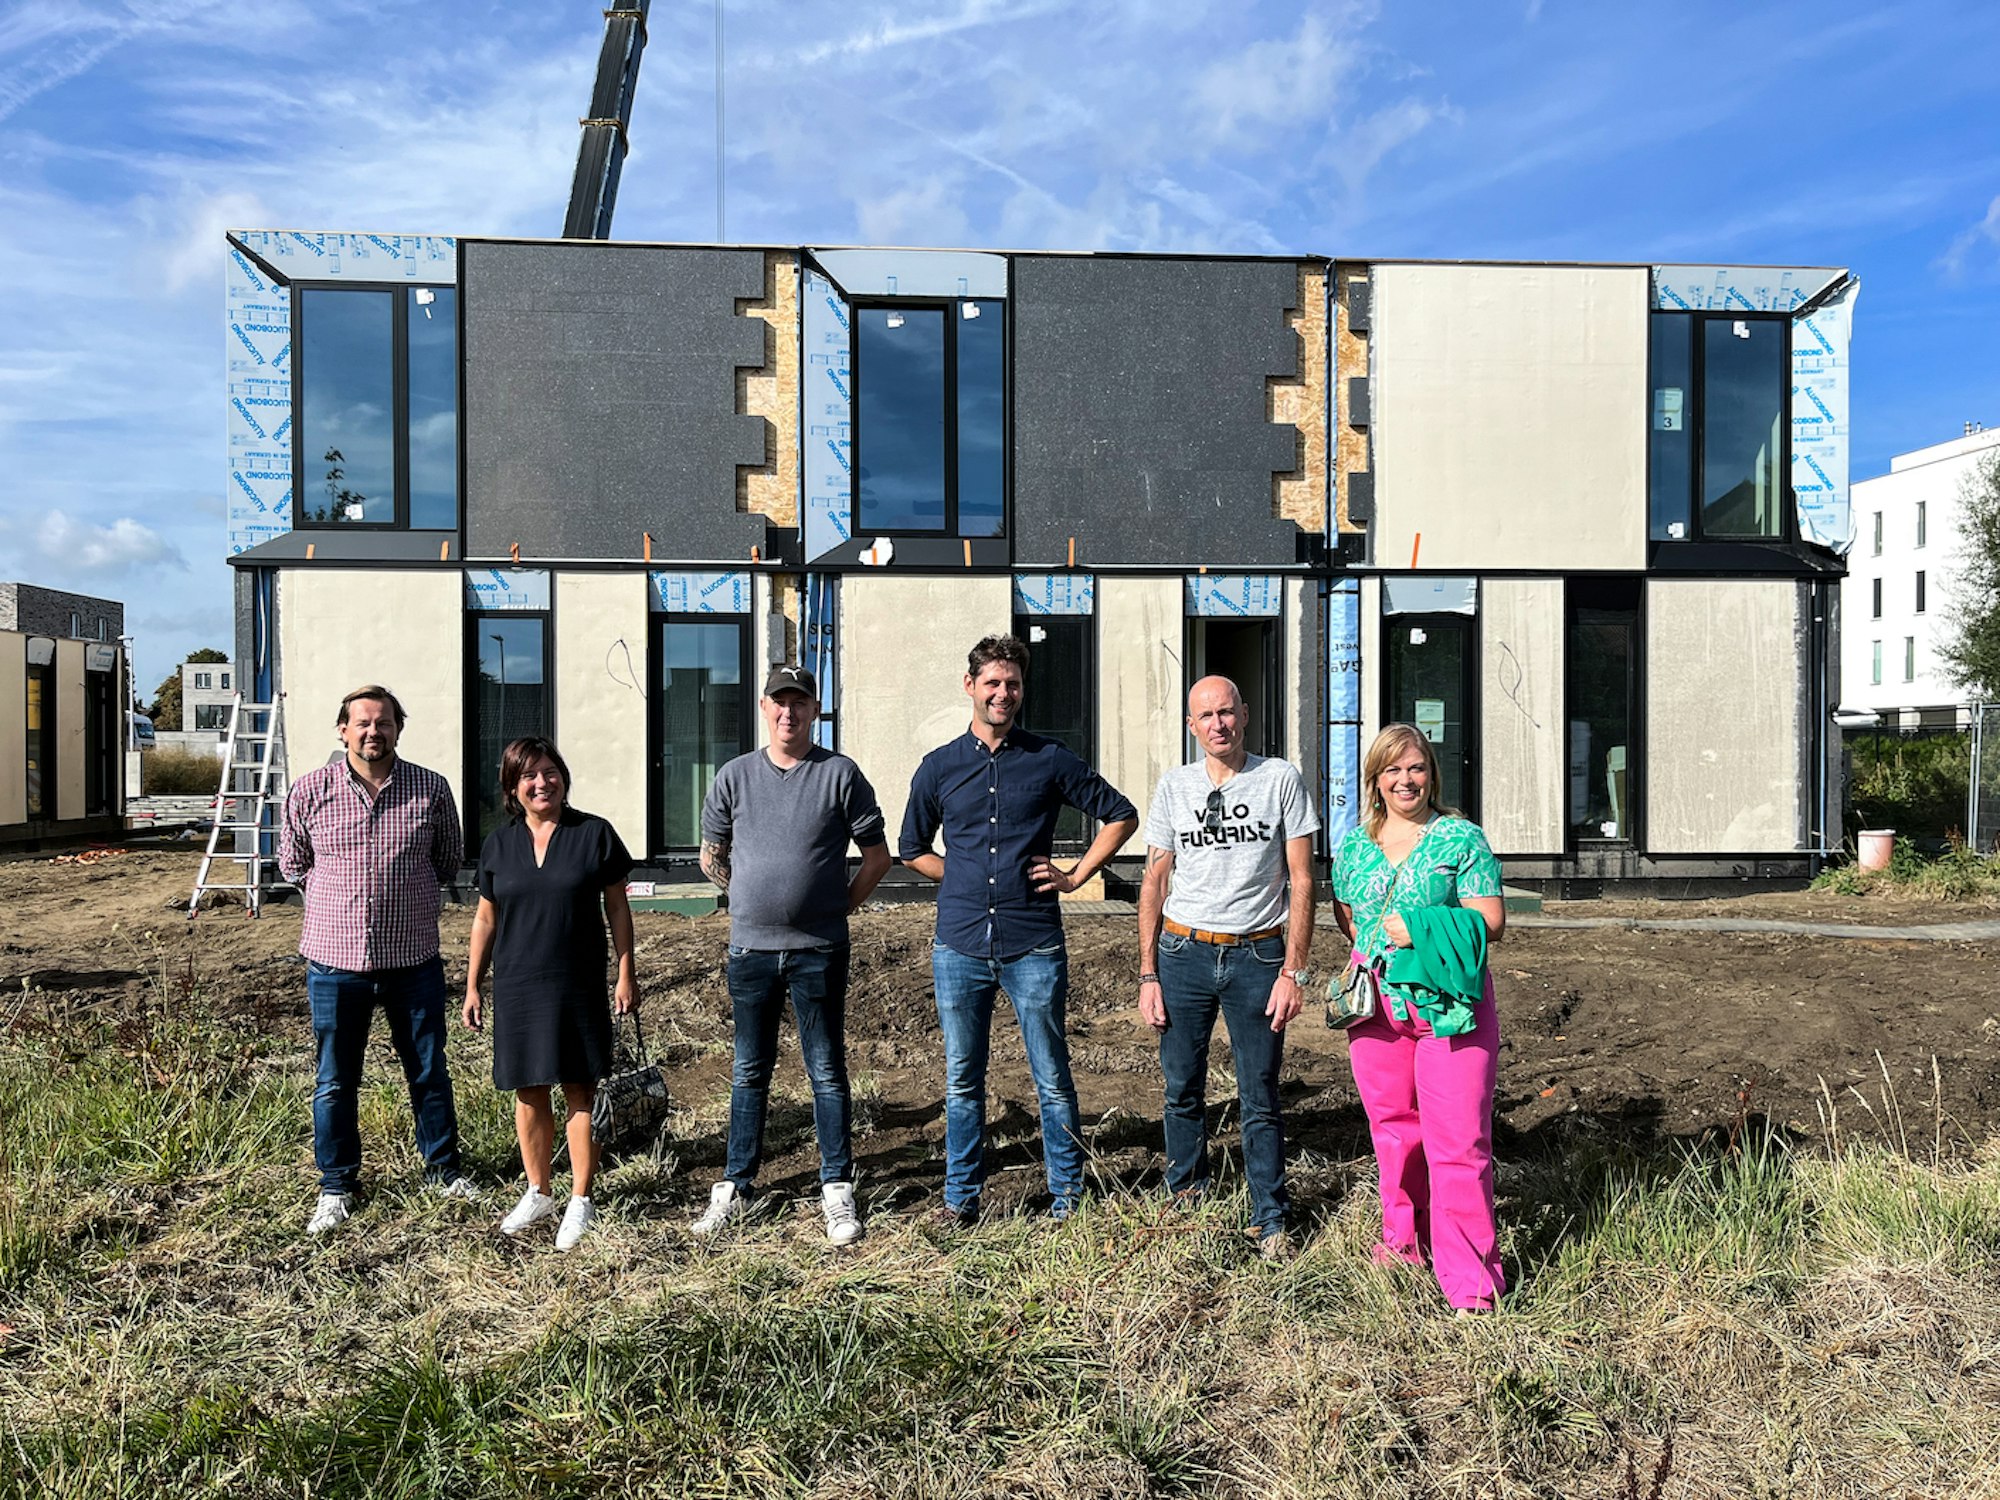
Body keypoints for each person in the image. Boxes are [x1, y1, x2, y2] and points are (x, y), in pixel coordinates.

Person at [900, 634, 1139, 1226]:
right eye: (992, 683)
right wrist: (960, 874)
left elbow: (1121, 815)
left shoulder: (1049, 759)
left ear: (1021, 690)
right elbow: (910, 849)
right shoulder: (939, 768)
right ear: (970, 687)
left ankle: (1068, 1198)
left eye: (1011, 684)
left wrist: (1077, 874)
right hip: (958, 946)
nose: (1002, 693)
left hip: (1033, 942)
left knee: (1051, 1075)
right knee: (962, 1079)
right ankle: (961, 1199)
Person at [690, 665, 891, 1245]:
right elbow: (712, 853)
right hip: (750, 950)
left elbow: (876, 857)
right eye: (780, 702)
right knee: (749, 1070)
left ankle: (836, 1186)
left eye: (800, 702)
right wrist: (748, 898)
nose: (789, 713)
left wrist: (838, 907)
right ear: (763, 706)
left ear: (814, 709)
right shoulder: (734, 776)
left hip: (818, 950)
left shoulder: (840, 775)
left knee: (825, 1068)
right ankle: (736, 1184)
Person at [1138, 675, 1319, 1260]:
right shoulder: (1175, 786)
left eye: (1227, 711)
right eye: (1205, 715)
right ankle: (1185, 1205)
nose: (1218, 723)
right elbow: (1155, 879)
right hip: (1183, 954)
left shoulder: (1280, 779)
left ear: (1245, 714)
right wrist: (1147, 974)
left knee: (1259, 1092)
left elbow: (1302, 879)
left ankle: (1271, 1219)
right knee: (1180, 1088)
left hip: (1258, 956)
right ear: (1192, 726)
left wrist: (1294, 970)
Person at [278, 684, 469, 1237]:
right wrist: (338, 902)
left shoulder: (430, 791)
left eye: (382, 722)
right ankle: (336, 1186)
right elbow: (293, 863)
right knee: (335, 1079)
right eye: (361, 723)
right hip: (335, 963)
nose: (372, 732)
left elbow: (447, 861)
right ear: (342, 730)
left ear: (398, 729)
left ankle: (444, 1172)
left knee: (429, 1071)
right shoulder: (310, 790)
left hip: (413, 959)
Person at [1330, 722, 1508, 1312]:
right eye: (1393, 770)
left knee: (1458, 1144)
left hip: (1450, 1009)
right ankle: (1402, 1248)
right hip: (1378, 1010)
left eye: (1416, 768)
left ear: (1431, 773)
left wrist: (1421, 929)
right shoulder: (1353, 846)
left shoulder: (1460, 839)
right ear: (1375, 780)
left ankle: (1471, 1285)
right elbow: (1349, 917)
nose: (1406, 780)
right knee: (1394, 1135)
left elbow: (1491, 922)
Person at [461, 737, 636, 1253]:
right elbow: (486, 918)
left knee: (579, 1088)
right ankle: (539, 1191)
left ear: (564, 776)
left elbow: (618, 910)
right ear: (513, 788)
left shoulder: (594, 834)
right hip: (517, 983)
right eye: (529, 776)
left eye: (551, 771)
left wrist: (626, 971)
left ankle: (580, 1198)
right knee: (529, 1088)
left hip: (577, 981)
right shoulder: (499, 844)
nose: (543, 783)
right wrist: (473, 983)